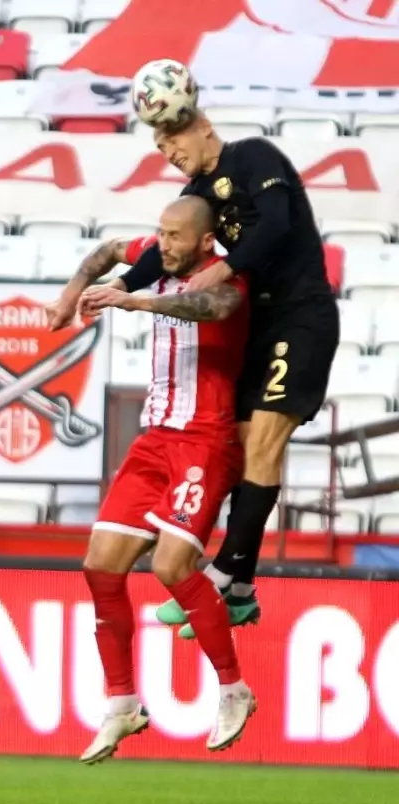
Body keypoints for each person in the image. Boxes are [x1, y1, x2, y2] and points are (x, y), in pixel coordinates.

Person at [54, 113, 340, 640]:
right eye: (159, 142)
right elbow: (151, 262)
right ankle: (241, 588)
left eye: (172, 137)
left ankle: (228, 570)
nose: (168, 149)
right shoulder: (195, 194)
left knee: (264, 444)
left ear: (201, 125)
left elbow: (275, 225)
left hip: (300, 314)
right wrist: (105, 289)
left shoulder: (253, 156)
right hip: (261, 322)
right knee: (244, 443)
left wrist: (221, 271)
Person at [73, 195, 256, 764]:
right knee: (100, 565)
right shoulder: (159, 256)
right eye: (161, 233)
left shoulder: (229, 281)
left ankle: (233, 689)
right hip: (154, 439)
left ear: (206, 241)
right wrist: (69, 295)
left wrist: (135, 299)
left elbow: (208, 307)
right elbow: (108, 250)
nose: (164, 244)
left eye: (176, 237)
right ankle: (122, 703)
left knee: (171, 565)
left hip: (206, 441)